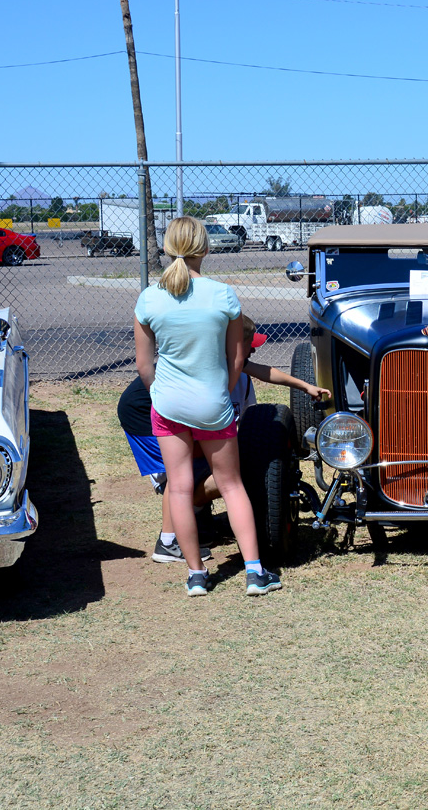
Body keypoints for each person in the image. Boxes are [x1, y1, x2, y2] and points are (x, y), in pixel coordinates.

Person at [134, 215, 278, 597]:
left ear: (166, 249)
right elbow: (236, 359)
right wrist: (222, 392)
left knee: (179, 489)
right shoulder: (223, 295)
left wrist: (160, 394)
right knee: (231, 485)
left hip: (168, 406)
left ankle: (196, 574)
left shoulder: (149, 298)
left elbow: (144, 365)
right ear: (205, 248)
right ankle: (254, 573)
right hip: (212, 404)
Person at [118, 315, 330, 564]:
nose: (253, 349)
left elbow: (264, 371)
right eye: (250, 344)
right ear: (231, 343)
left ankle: (197, 517)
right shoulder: (208, 361)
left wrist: (305, 387)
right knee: (179, 473)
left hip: (172, 410)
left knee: (213, 463)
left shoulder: (228, 361)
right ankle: (168, 541)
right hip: (143, 412)